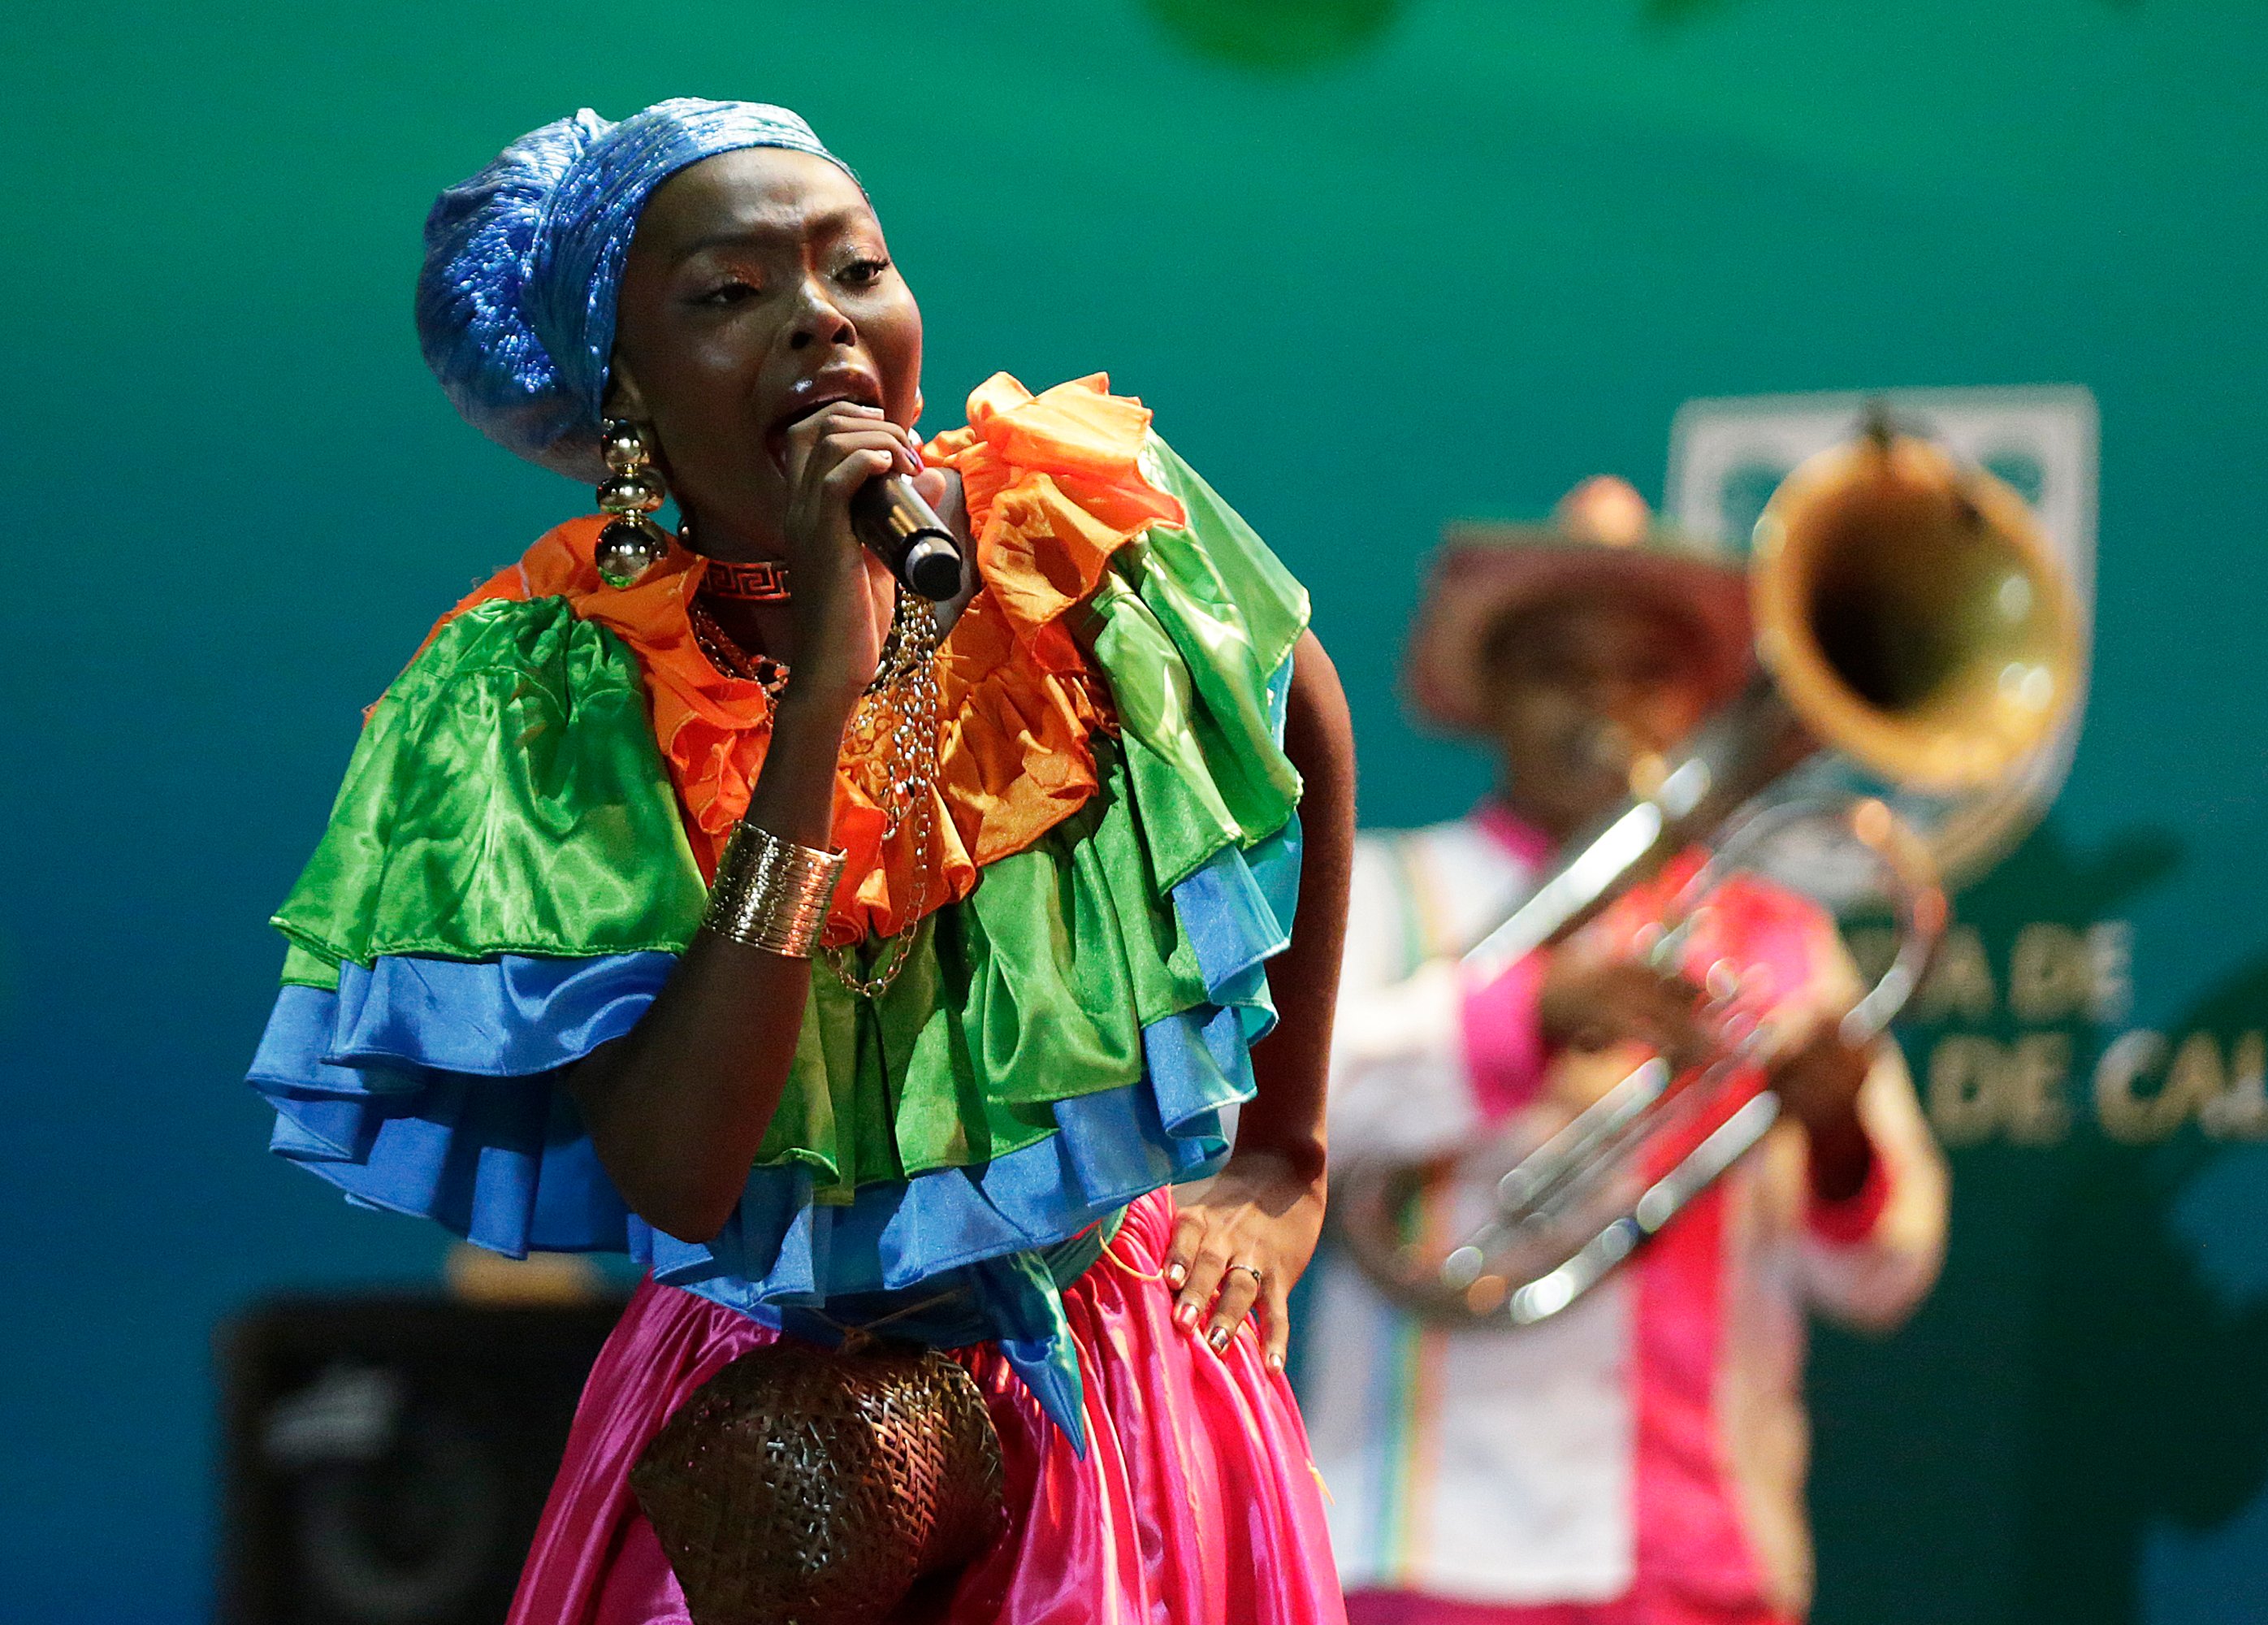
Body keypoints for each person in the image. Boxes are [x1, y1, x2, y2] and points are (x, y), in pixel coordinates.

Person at [245, 98, 1356, 1624]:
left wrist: (1282, 1155)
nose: (820, 323)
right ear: (624, 382)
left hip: (1121, 1394)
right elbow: (685, 1173)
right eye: (731, 293)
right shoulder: (550, 690)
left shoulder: (1075, 531)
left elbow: (1297, 709)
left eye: (856, 270)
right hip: (765, 1428)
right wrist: (820, 696)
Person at [1296, 478, 1948, 1625]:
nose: (1603, 704)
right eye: (1559, 670)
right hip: (1433, 1555)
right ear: (1491, 693)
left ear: (1700, 704)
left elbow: (1881, 1276)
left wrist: (1838, 1135)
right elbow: (1261, 1125)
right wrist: (1525, 1016)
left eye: (1647, 674)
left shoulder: (1783, 941)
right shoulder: (1389, 895)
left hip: (1709, 1564)